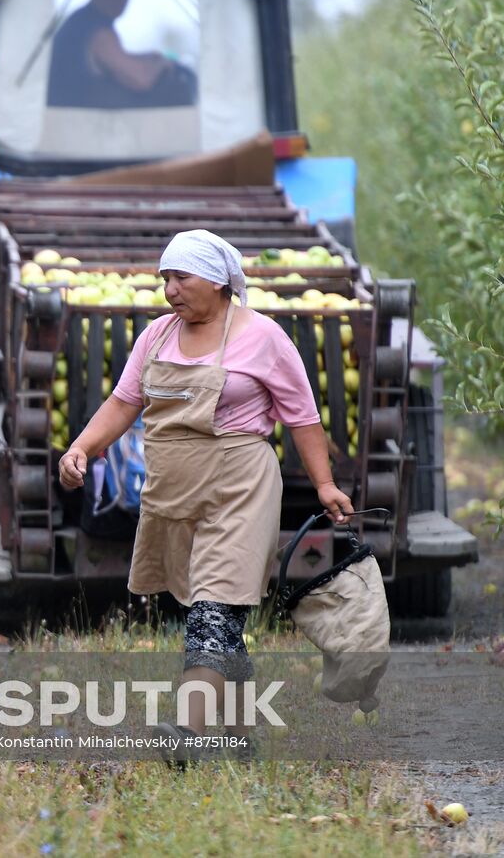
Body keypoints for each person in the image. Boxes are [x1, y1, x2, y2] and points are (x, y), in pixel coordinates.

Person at [57, 230, 354, 763]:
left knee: (213, 609)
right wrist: (80, 448)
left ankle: (185, 734)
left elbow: (302, 416)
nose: (170, 289)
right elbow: (124, 403)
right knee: (211, 608)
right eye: (164, 278)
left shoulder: (262, 336)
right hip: (174, 490)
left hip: (240, 485)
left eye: (181, 278)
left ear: (218, 282)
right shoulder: (156, 337)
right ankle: (240, 738)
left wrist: (325, 484)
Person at [46, 0, 196, 109]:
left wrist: (148, 58)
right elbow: (140, 79)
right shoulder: (96, 30)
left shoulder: (83, 21)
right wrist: (162, 64)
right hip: (75, 122)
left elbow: (117, 59)